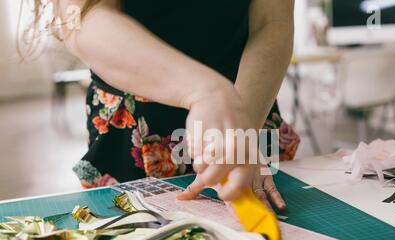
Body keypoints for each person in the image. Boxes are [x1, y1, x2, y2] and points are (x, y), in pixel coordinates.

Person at [26, 0, 300, 211]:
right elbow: (82, 18)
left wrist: (241, 127)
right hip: (137, 121)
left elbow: (272, 21)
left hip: (250, 98)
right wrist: (205, 91)